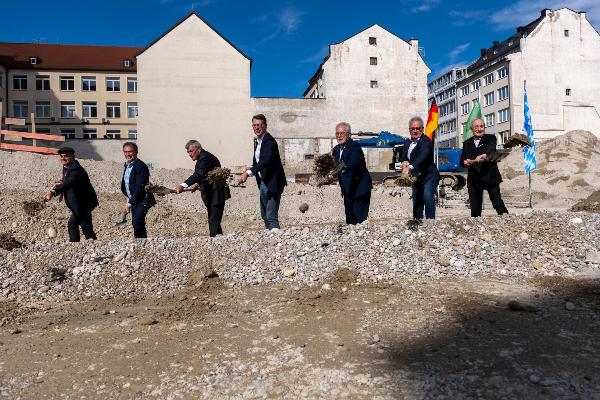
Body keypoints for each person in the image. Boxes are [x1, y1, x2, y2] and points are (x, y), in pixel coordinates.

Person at [238, 114, 286, 230]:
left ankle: (278, 239)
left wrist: (248, 173)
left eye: (259, 125)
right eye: (254, 125)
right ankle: (270, 236)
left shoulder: (269, 141)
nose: (257, 128)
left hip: (273, 182)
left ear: (265, 126)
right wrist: (251, 167)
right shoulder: (259, 141)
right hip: (264, 181)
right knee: (264, 214)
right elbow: (259, 161)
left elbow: (266, 160)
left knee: (271, 215)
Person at [44, 147, 98, 242]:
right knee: (86, 227)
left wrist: (53, 192)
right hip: (80, 203)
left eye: (66, 156)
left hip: (83, 204)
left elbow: (69, 183)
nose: (63, 158)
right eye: (61, 156)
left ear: (73, 157)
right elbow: (67, 180)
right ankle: (94, 245)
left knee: (72, 224)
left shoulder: (75, 170)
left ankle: (74, 246)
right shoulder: (67, 166)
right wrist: (61, 181)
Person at [176, 140, 230, 237]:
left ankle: (215, 241)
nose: (189, 154)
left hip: (216, 194)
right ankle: (219, 240)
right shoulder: (204, 157)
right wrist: (197, 184)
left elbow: (199, 174)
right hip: (213, 194)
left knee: (213, 220)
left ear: (198, 149)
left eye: (191, 151)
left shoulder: (204, 158)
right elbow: (206, 174)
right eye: (188, 152)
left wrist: (183, 185)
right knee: (214, 220)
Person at [460, 118, 508, 217]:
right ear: (472, 129)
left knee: (496, 201)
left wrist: (483, 156)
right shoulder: (466, 143)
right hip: (474, 179)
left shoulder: (490, 138)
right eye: (476, 127)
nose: (479, 129)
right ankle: (475, 225)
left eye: (481, 126)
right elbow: (462, 160)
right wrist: (465, 162)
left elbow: (490, 150)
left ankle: (507, 219)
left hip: (489, 176)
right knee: (475, 206)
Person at [330, 122, 372, 224]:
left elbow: (354, 161)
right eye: (337, 133)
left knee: (359, 220)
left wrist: (339, 170)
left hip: (359, 189)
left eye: (342, 133)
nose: (339, 136)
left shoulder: (354, 146)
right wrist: (330, 174)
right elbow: (334, 166)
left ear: (349, 135)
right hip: (347, 189)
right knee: (349, 218)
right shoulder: (335, 149)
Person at [401, 116, 440, 220]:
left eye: (417, 128)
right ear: (409, 129)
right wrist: (404, 162)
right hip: (416, 176)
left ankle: (431, 222)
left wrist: (410, 166)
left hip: (429, 176)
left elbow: (423, 156)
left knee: (427, 196)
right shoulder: (407, 142)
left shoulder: (426, 141)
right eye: (412, 128)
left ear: (422, 129)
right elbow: (404, 156)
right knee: (417, 199)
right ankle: (417, 221)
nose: (415, 131)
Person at [121, 142, 153, 238]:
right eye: (125, 152)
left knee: (137, 221)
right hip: (134, 199)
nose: (128, 154)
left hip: (143, 199)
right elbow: (127, 185)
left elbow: (139, 188)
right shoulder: (127, 165)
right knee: (136, 223)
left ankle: (142, 243)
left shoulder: (140, 166)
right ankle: (139, 242)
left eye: (130, 151)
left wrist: (129, 203)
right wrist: (128, 199)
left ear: (136, 152)